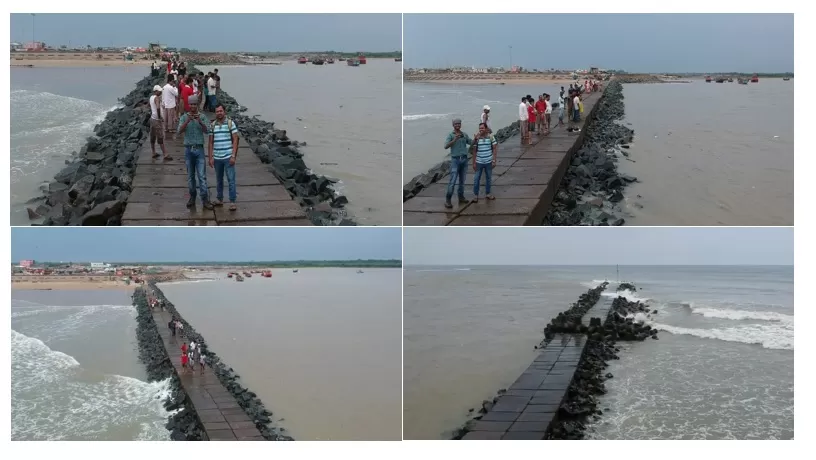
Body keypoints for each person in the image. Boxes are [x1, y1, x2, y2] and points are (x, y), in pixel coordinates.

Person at [178, 96, 213, 209]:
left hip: (199, 149)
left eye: (194, 104)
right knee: (190, 176)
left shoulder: (202, 116)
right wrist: (187, 122)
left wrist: (200, 122)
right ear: (189, 105)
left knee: (202, 176)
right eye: (191, 104)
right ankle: (192, 197)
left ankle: (205, 199)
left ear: (197, 105)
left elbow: (208, 131)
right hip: (188, 149)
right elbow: (179, 131)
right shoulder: (184, 117)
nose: (193, 106)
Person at [209, 104, 240, 211]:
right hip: (217, 157)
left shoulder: (231, 123)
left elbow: (235, 139)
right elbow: (211, 142)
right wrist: (210, 157)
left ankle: (232, 201)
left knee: (231, 179)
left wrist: (233, 156)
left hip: (228, 157)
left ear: (224, 112)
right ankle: (220, 199)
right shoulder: (212, 125)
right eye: (217, 111)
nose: (219, 113)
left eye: (221, 111)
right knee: (219, 180)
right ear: (215, 113)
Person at [443, 118, 472, 209]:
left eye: (459, 124)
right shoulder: (450, 135)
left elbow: (471, 142)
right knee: (452, 181)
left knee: (462, 181)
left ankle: (461, 197)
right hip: (455, 160)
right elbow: (445, 146)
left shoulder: (464, 134)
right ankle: (448, 200)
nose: (457, 125)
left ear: (461, 125)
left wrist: (477, 138)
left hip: (464, 159)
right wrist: (454, 140)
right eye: (456, 124)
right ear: (453, 125)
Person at [471, 122, 497, 202]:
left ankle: (488, 194)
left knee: (488, 178)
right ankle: (475, 195)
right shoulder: (477, 138)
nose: (481, 130)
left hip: (488, 162)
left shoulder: (491, 137)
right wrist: (474, 163)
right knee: (476, 179)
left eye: (482, 128)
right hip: (479, 162)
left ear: (486, 129)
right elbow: (474, 151)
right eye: (480, 128)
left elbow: (495, 149)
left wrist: (494, 160)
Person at [149, 85, 171, 160]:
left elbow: (151, 106)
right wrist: (159, 117)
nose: (161, 92)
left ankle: (153, 152)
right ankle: (165, 154)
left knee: (152, 136)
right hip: (157, 120)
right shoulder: (157, 98)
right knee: (160, 136)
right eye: (159, 91)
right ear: (155, 91)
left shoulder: (151, 97)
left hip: (152, 118)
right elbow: (158, 107)